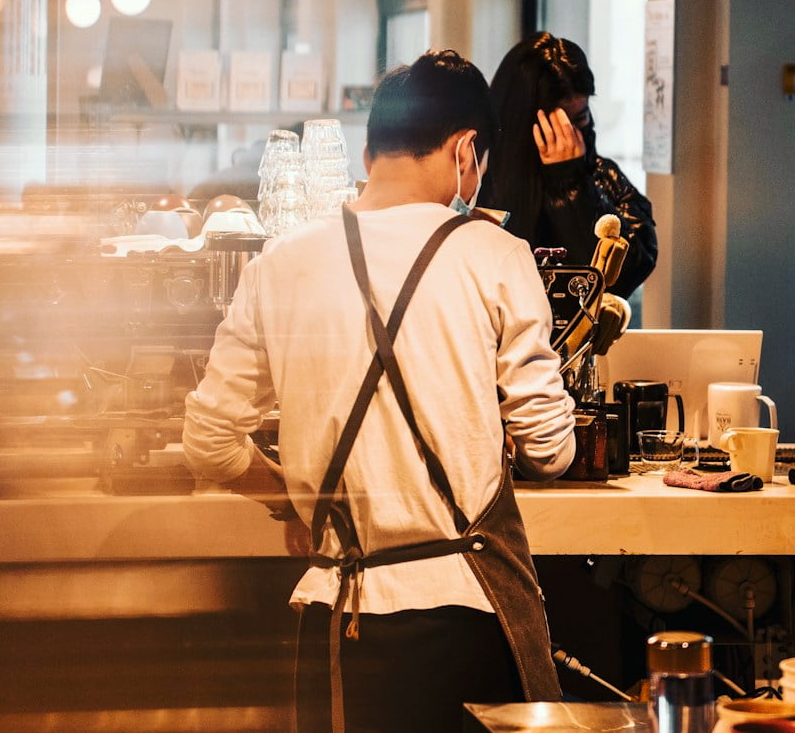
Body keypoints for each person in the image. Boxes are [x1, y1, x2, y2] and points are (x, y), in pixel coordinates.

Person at [183, 50, 576, 733]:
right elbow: (550, 448)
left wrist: (294, 500)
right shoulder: (496, 254)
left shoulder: (281, 264)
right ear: (466, 153)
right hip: (467, 616)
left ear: (369, 152)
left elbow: (209, 445)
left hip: (339, 618)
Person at [485, 32, 657, 295]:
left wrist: (570, 185)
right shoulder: (477, 177)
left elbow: (624, 275)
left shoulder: (601, 176)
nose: (569, 136)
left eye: (580, 118)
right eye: (555, 127)